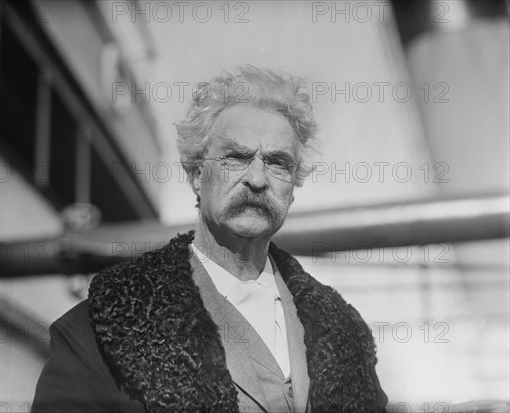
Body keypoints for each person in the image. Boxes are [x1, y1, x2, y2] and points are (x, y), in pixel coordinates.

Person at [32, 65, 387, 413]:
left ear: (293, 189)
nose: (258, 180)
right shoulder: (104, 327)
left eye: (278, 163)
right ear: (198, 174)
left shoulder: (344, 334)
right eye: (237, 158)